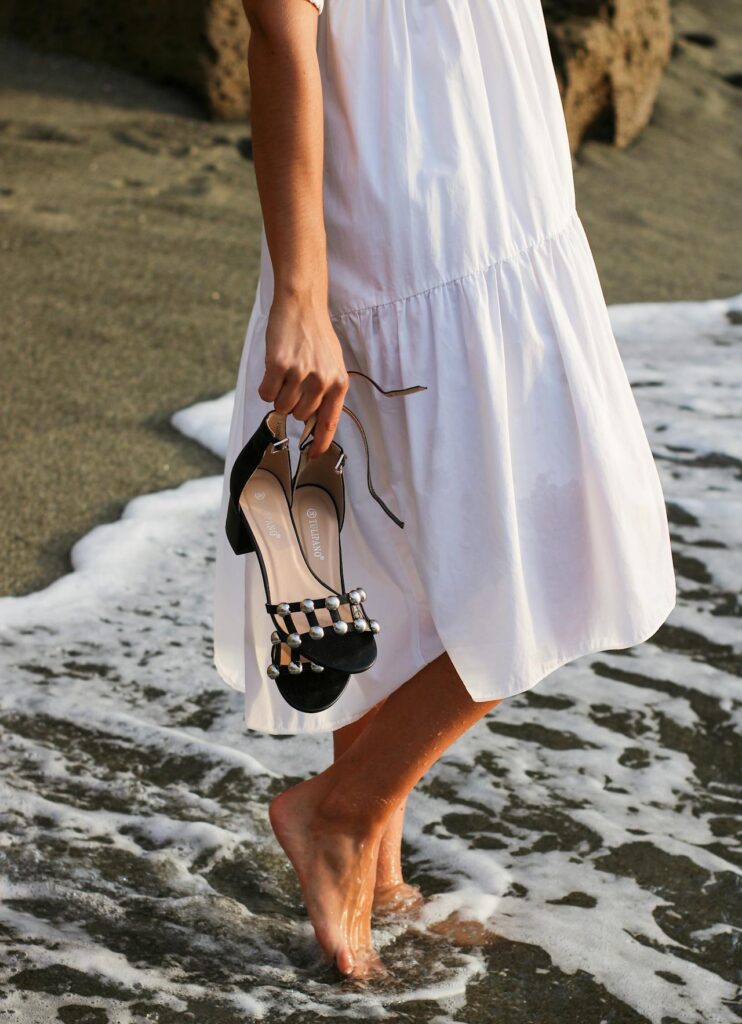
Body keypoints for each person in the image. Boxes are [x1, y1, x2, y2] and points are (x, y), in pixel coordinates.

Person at [212, 0, 677, 979]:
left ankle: (375, 878)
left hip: (503, 182)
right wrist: (300, 294)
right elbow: (280, 29)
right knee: (584, 537)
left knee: (389, 558)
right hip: (416, 211)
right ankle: (344, 815)